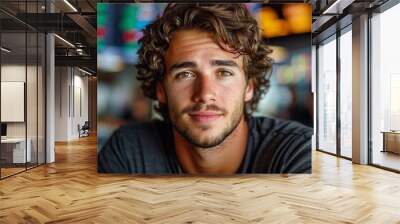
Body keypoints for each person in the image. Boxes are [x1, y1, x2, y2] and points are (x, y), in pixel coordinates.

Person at [98, 3, 312, 174]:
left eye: (224, 73)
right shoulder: (128, 150)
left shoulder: (297, 151)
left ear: (249, 87)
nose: (205, 94)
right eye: (185, 74)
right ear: (161, 89)